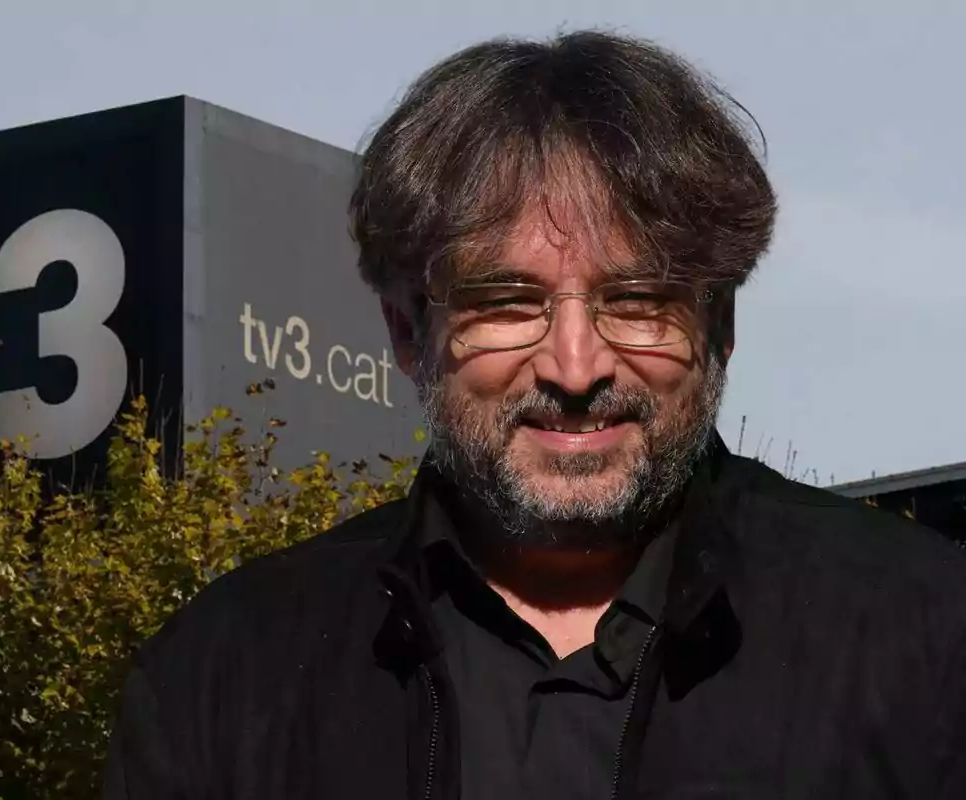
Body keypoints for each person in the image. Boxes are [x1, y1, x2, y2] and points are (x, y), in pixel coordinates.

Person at [103, 29, 966, 800]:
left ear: (721, 328)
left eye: (637, 300)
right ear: (408, 332)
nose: (575, 366)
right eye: (508, 303)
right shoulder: (221, 678)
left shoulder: (928, 641)